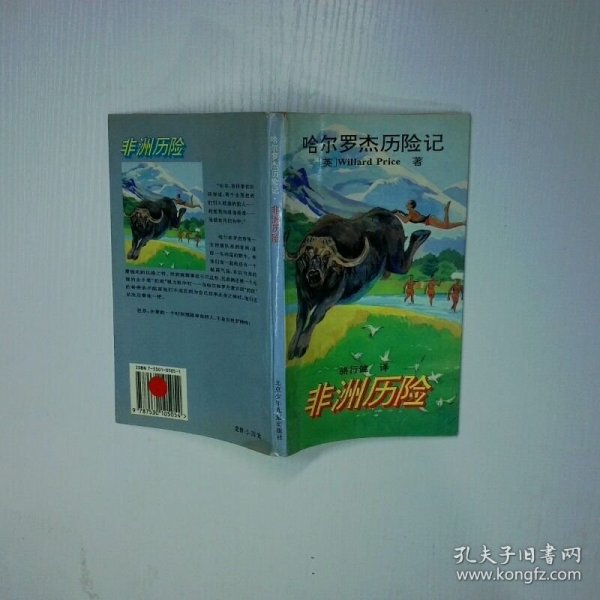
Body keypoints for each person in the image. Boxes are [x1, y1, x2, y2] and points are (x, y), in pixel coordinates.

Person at [397, 199, 465, 230]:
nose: (406, 205)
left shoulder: (411, 212)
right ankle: (463, 223)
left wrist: (397, 214)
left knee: (446, 226)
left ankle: (446, 211)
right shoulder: (411, 212)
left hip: (430, 220)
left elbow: (405, 221)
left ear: (411, 206)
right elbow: (407, 218)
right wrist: (400, 214)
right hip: (430, 219)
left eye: (408, 204)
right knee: (447, 226)